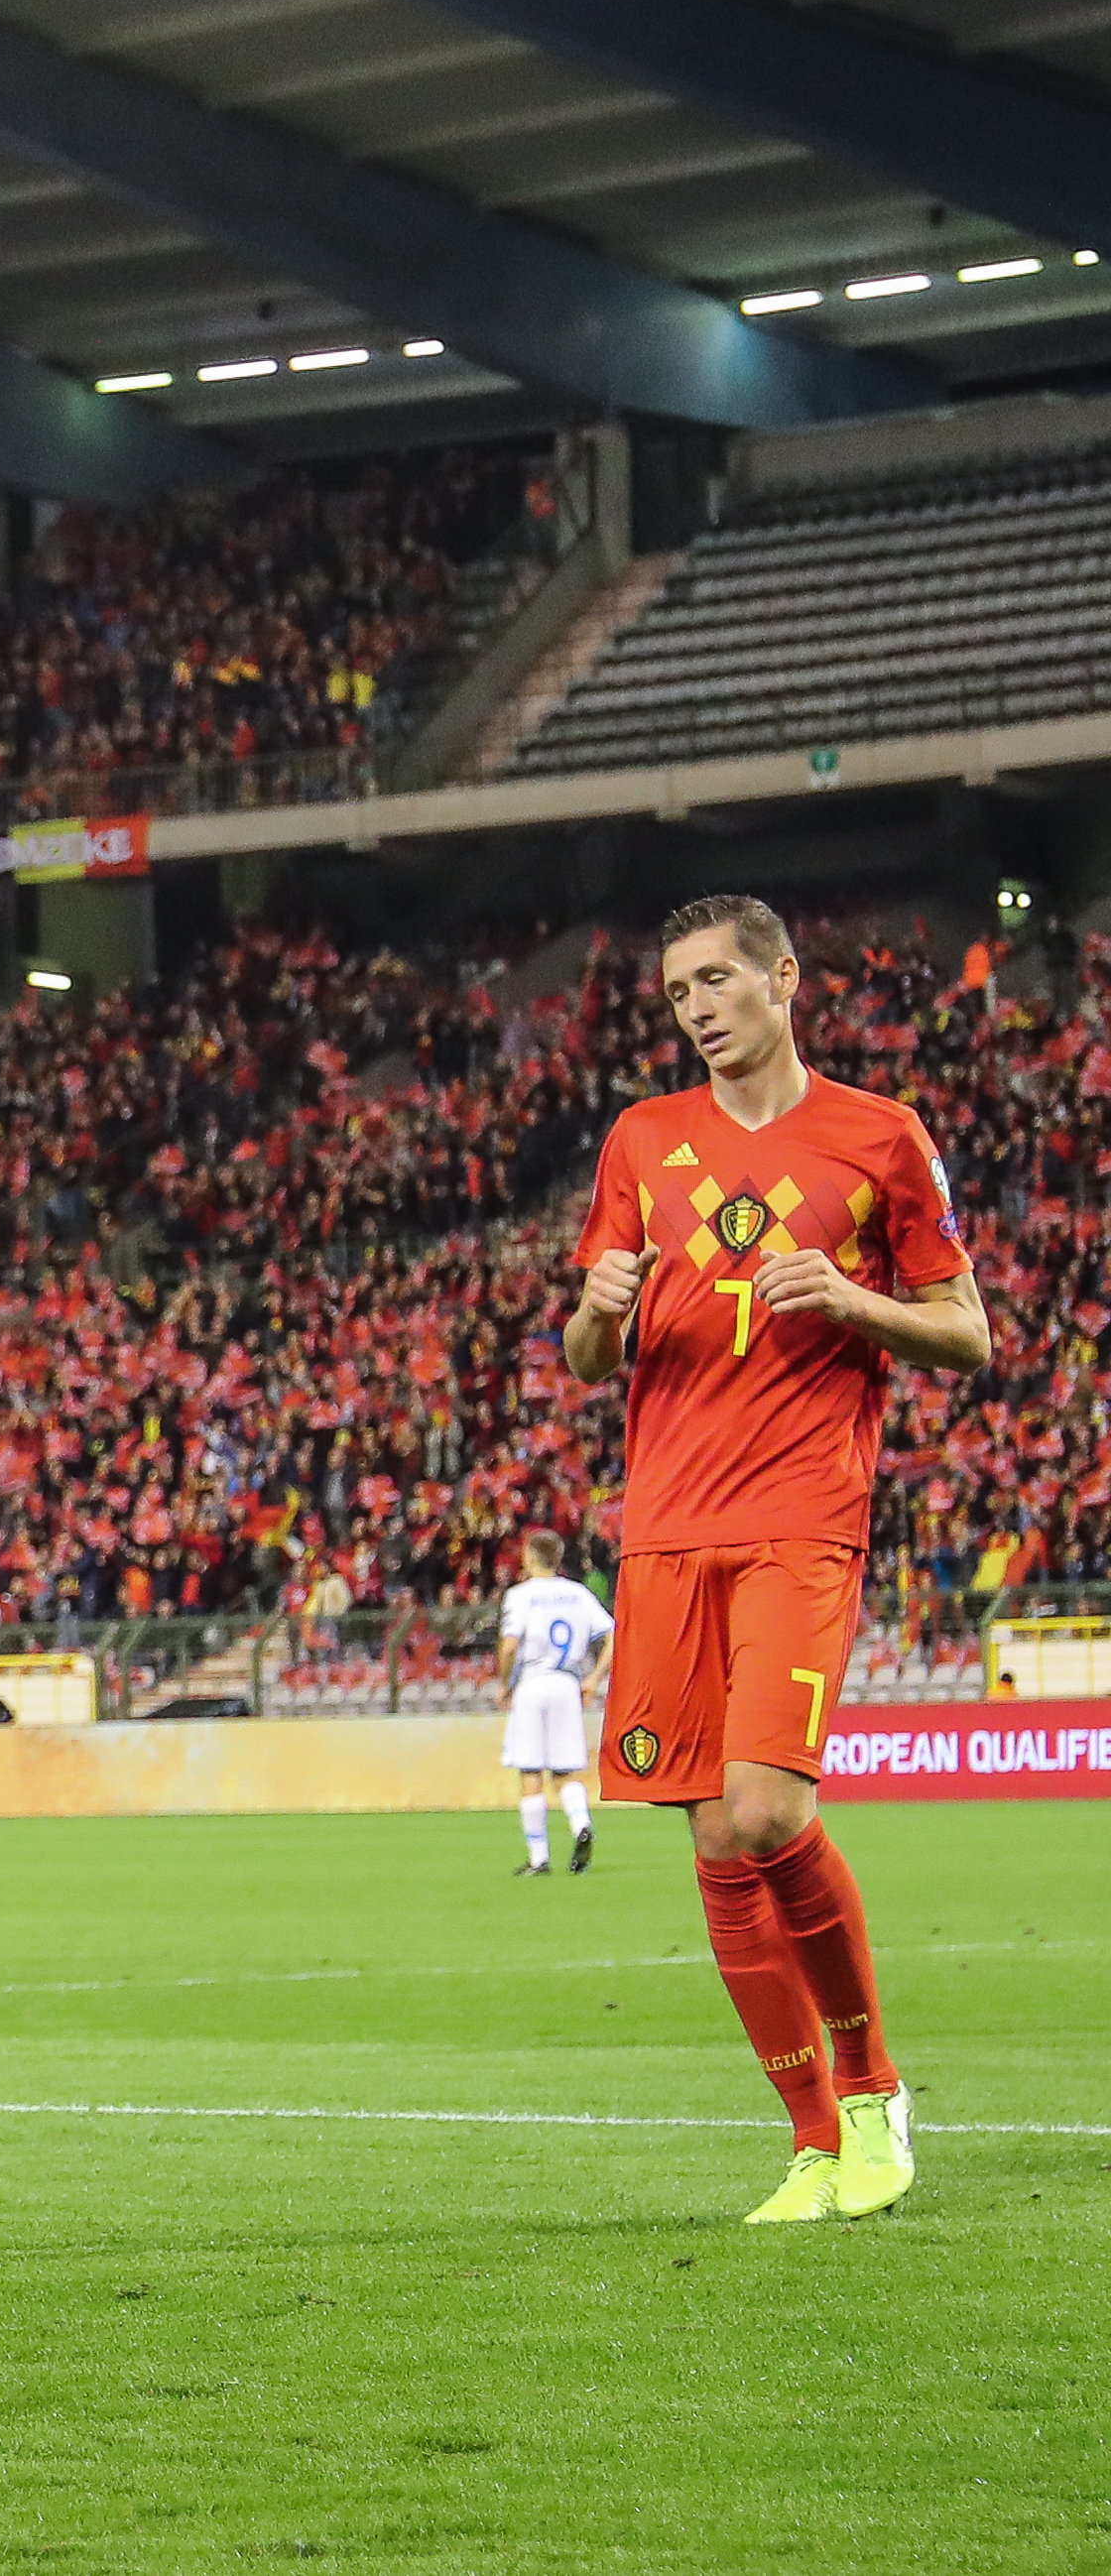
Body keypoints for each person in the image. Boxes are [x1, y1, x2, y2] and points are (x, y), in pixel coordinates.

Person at [565, 895, 991, 2223]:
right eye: (676, 989)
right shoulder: (643, 1139)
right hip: (667, 1527)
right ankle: (814, 2141)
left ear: (783, 979)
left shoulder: (880, 1136)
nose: (695, 1007)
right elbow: (590, 1357)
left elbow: (966, 1331)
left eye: (715, 980)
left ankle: (872, 2090)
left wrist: (852, 1300)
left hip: (803, 1510)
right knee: (709, 1835)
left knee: (766, 1811)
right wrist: (592, 1313)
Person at [494, 1533, 612, 1876]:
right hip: (567, 1684)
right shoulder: (577, 1593)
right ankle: (581, 1826)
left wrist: (504, 1684)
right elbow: (612, 1635)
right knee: (564, 1772)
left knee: (531, 1772)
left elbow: (509, 1646)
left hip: (533, 1682)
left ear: (530, 1556)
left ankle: (539, 1858)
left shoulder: (521, 1595)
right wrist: (593, 1679)